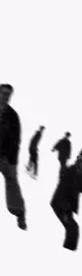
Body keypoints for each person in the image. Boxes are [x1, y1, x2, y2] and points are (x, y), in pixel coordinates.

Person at [50, 156, 82, 251]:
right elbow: (62, 191)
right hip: (59, 204)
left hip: (67, 205)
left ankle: (69, 250)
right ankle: (67, 253)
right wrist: (66, 211)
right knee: (73, 229)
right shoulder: (70, 172)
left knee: (72, 229)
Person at [0, 83, 27, 230]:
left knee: (12, 182)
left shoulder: (12, 116)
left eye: (8, 95)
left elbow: (16, 140)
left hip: (5, 157)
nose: (6, 97)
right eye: (4, 93)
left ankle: (19, 213)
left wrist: (12, 160)